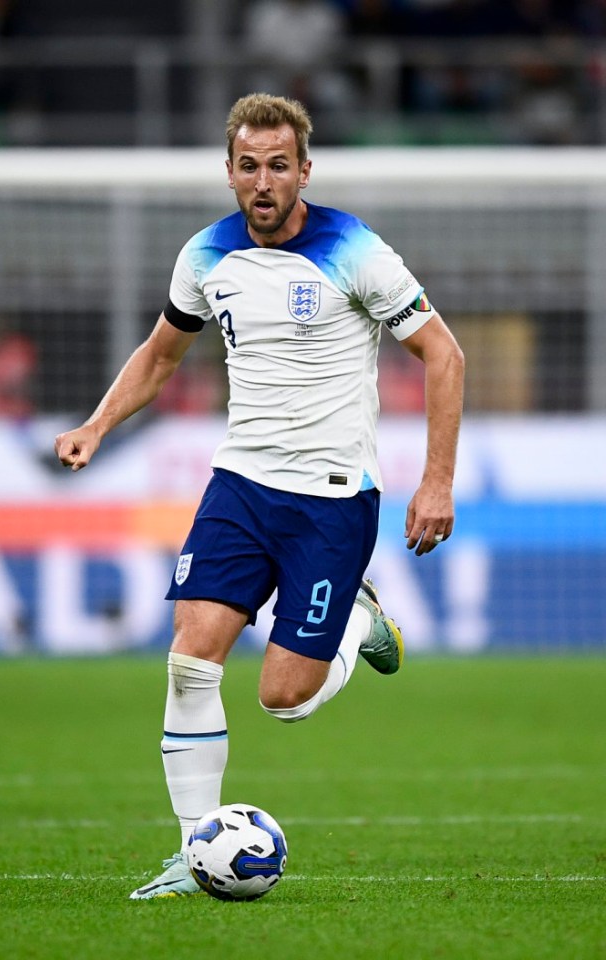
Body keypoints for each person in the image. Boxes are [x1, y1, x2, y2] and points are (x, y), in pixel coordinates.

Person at [54, 92, 465, 899]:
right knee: (188, 657)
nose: (264, 180)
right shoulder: (205, 254)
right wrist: (98, 426)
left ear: (304, 170)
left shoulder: (354, 249)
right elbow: (161, 353)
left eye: (280, 165)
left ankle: (359, 618)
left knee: (283, 698)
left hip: (332, 496)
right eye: (250, 166)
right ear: (231, 171)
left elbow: (444, 355)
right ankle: (191, 851)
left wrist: (437, 481)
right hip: (241, 483)